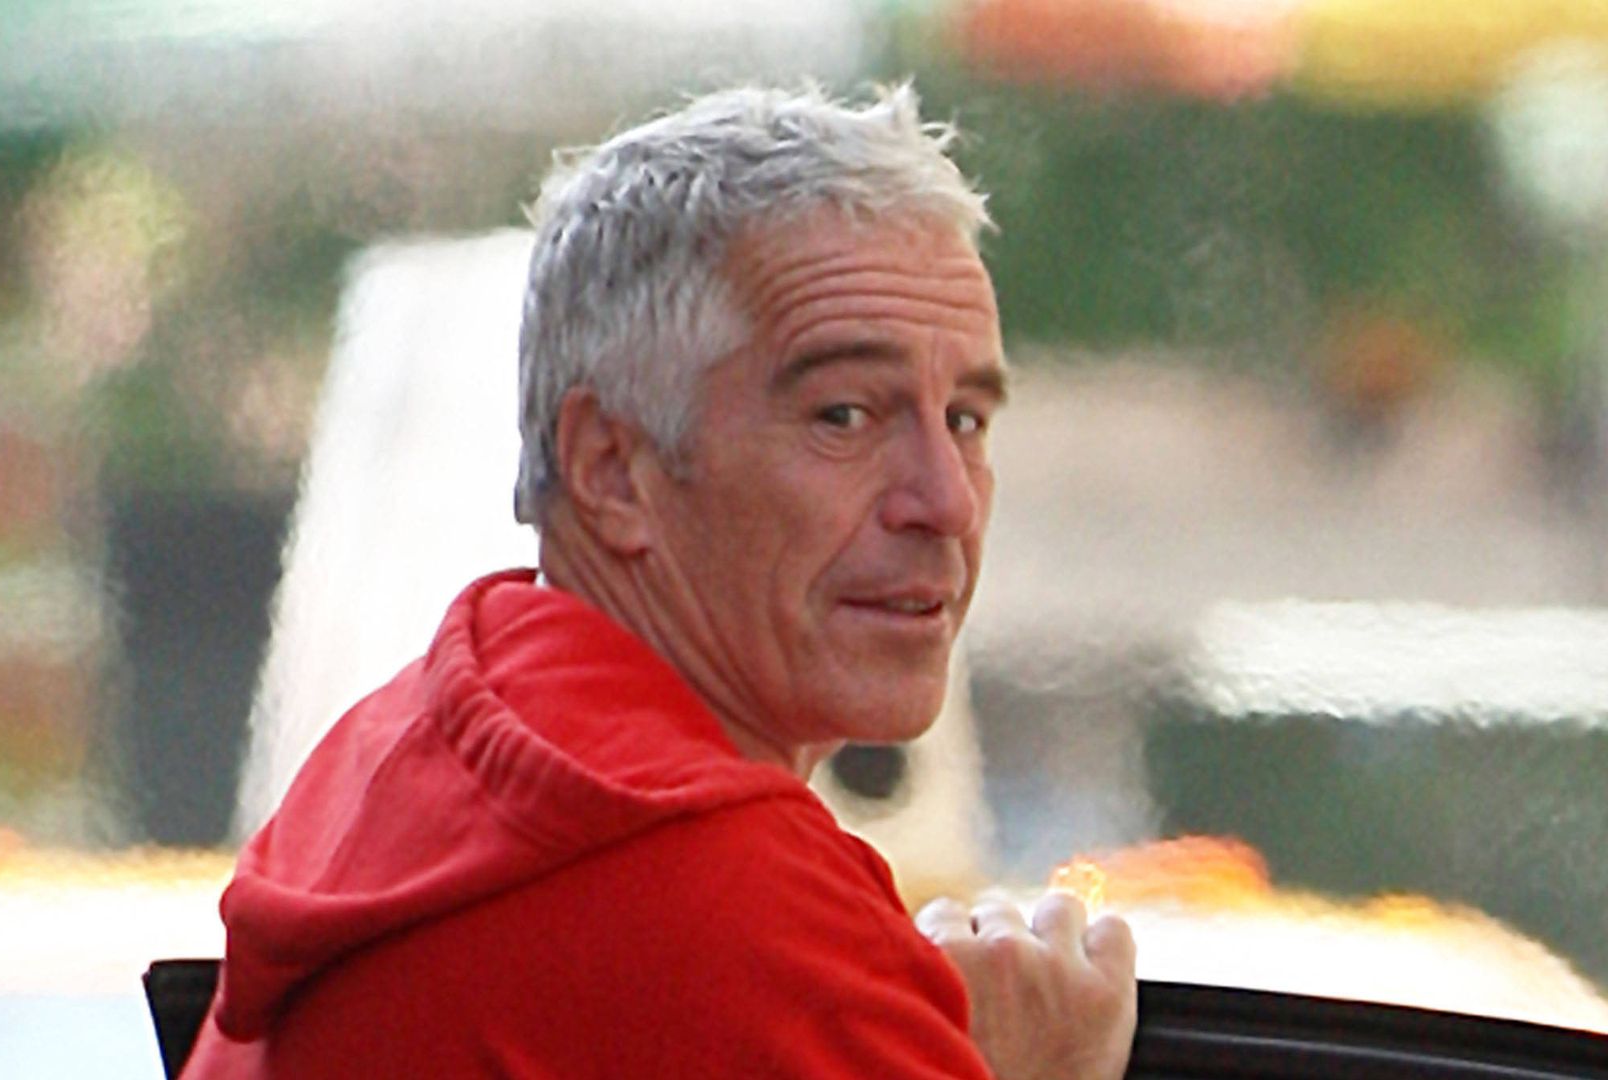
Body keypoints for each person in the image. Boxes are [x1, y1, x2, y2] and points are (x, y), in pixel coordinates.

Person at [182, 83, 1137, 1079]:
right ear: (609, 469)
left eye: (966, 420)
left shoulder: (413, 743)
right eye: (843, 416)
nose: (946, 501)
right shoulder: (727, 898)